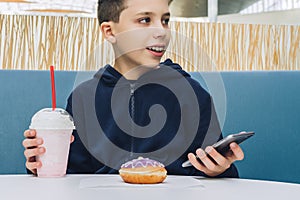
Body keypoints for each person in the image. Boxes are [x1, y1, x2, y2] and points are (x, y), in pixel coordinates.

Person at [23, 0, 244, 177]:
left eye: (165, 20)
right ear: (110, 32)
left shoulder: (193, 94)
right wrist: (41, 164)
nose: (161, 31)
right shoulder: (83, 97)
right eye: (145, 20)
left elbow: (214, 168)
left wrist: (221, 169)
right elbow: (73, 175)